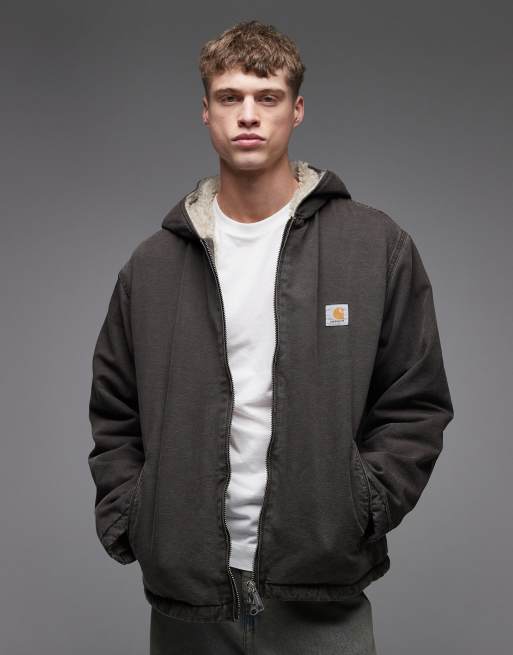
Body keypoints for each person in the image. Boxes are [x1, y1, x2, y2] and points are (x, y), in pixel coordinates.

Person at [88, 19, 454, 655]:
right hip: (190, 598)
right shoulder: (151, 267)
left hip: (321, 588)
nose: (248, 115)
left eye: (268, 97)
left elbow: (415, 401)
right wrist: (136, 514)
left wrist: (361, 506)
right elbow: (115, 412)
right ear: (206, 111)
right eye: (230, 97)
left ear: (297, 109)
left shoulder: (374, 247)